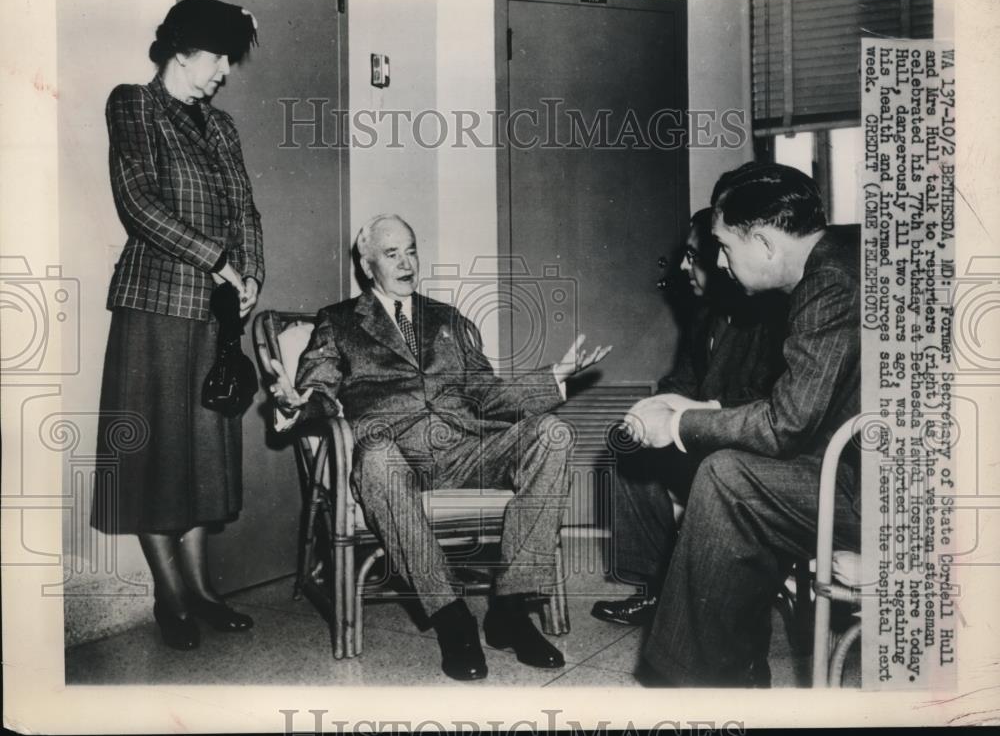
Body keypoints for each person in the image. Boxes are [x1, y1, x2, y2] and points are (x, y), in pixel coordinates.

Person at [269, 214, 610, 682]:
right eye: (392, 254)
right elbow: (319, 391)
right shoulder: (340, 322)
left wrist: (553, 377)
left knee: (553, 434)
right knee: (376, 456)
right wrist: (297, 404)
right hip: (391, 455)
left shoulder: (450, 320)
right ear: (368, 267)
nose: (407, 262)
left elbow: (487, 395)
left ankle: (509, 610)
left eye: (411, 250)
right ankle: (452, 618)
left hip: (465, 449)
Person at [628, 162, 861, 686]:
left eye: (725, 247)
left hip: (882, 496)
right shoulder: (841, 260)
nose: (720, 263)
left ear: (764, 243)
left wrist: (680, 424)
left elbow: (785, 422)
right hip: (859, 469)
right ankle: (721, 671)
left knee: (728, 478)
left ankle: (699, 680)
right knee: (731, 474)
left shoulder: (829, 286)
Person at [90, 0, 264, 652]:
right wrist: (220, 261)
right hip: (156, 305)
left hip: (213, 315)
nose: (225, 70)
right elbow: (138, 202)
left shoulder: (222, 129)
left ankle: (202, 588)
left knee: (201, 458)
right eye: (220, 56)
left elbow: (247, 210)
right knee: (157, 458)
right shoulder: (133, 103)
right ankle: (170, 594)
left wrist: (250, 275)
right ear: (184, 47)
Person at [591, 207, 786, 627]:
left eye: (692, 256)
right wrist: (647, 413)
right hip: (702, 436)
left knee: (715, 469)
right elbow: (681, 380)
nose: (682, 265)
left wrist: (689, 414)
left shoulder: (773, 315)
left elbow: (770, 405)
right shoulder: (705, 314)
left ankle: (741, 588)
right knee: (626, 449)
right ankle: (656, 588)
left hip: (751, 446)